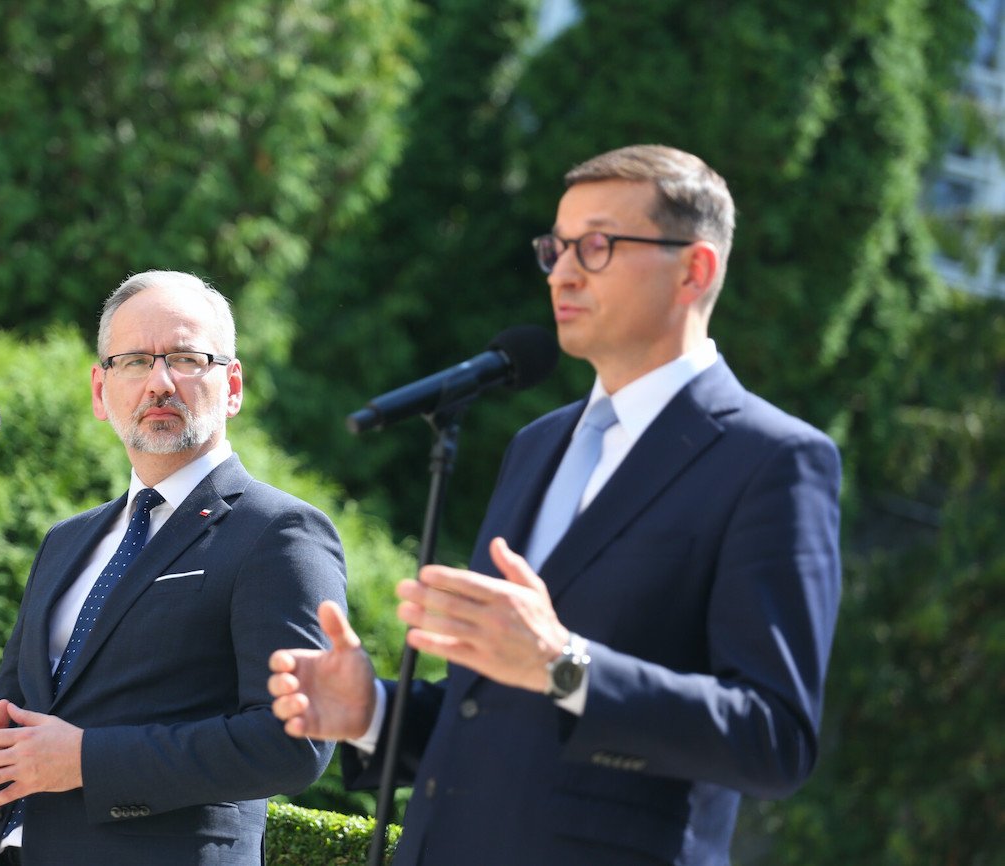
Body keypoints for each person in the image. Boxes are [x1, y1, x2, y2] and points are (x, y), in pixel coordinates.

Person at [268, 145, 842, 865]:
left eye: (598, 246)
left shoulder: (773, 461)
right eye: (557, 247)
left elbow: (773, 738)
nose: (564, 272)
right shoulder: (537, 445)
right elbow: (497, 710)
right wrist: (374, 714)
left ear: (695, 269)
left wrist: (565, 663)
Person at [0, 270, 347, 866]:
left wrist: (86, 761)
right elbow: (14, 699)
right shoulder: (66, 541)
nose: (160, 382)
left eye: (187, 358)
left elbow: (294, 742)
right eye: (135, 361)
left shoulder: (280, 533)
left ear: (232, 384)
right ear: (100, 390)